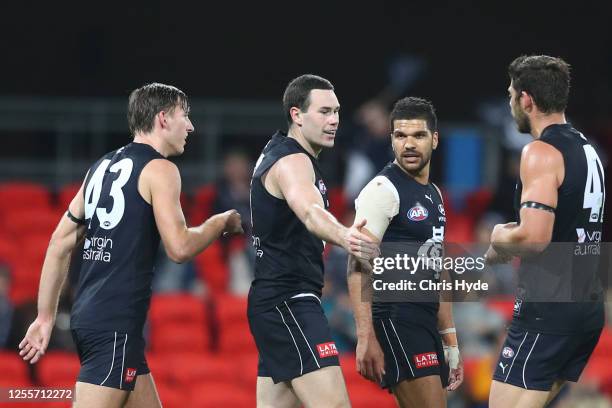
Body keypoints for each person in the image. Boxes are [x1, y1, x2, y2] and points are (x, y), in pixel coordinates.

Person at [19, 83, 243, 408]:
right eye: (186, 115)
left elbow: (59, 242)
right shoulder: (161, 170)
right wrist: (218, 223)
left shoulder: (99, 168)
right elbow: (179, 248)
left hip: (94, 319)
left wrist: (44, 317)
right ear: (163, 118)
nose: (191, 126)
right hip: (115, 324)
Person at [248, 74, 379, 408]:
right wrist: (346, 236)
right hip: (288, 302)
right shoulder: (293, 161)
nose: (334, 120)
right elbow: (309, 211)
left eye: (336, 112)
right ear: (297, 115)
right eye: (323, 112)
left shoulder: (285, 153)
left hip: (276, 301)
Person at [486, 55, 606, 407]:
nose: (510, 105)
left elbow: (535, 238)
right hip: (586, 305)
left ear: (526, 99)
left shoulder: (540, 151)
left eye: (511, 95)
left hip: (548, 309)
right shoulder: (587, 148)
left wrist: (498, 237)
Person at [347, 97, 464, 407]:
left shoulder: (435, 194)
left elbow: (438, 269)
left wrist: (450, 340)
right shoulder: (382, 190)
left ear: (435, 139)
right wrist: (365, 336)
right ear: (391, 140)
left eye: (419, 135)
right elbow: (357, 264)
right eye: (401, 136)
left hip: (424, 320)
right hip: (396, 318)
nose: (409, 144)